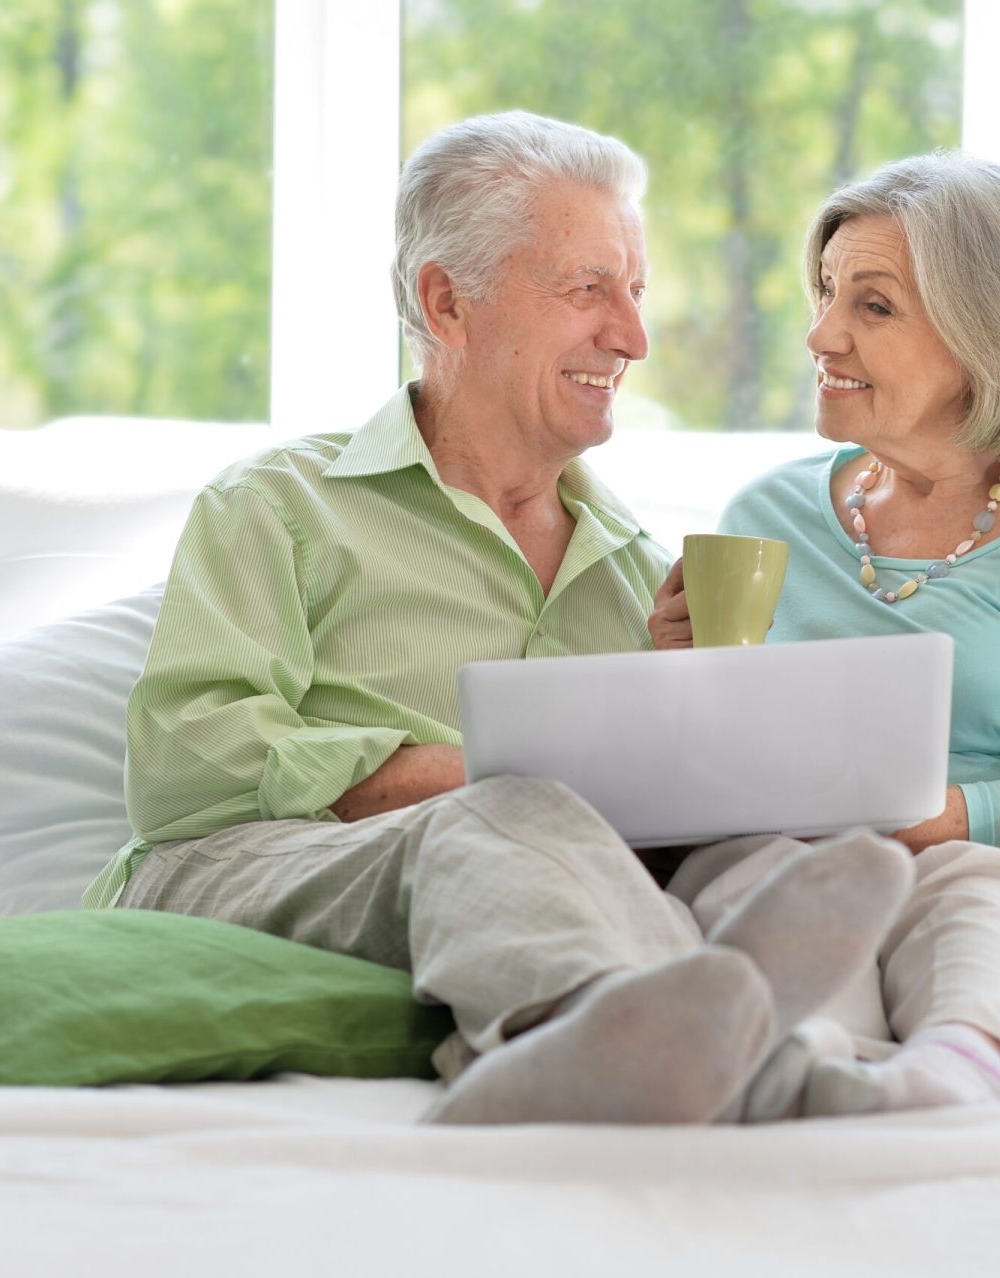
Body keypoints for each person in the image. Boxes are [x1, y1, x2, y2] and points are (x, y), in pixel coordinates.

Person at [84, 111, 917, 1125]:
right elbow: (190, 764)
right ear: (449, 303)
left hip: (523, 874)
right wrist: (477, 773)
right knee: (511, 811)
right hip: (246, 866)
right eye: (588, 289)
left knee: (747, 861)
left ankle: (774, 1062)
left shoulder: (637, 575)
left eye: (638, 291)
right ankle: (597, 1041)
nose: (634, 337)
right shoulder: (280, 505)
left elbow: (629, 822)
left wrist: (695, 716)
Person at [648, 153, 1000, 1118]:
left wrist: (912, 821)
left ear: (989, 331)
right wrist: (677, 679)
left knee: (975, 889)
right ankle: (793, 1061)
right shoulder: (766, 508)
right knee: (759, 875)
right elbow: (714, 763)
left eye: (874, 307)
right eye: (825, 293)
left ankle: (962, 1068)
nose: (821, 333)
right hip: (803, 850)